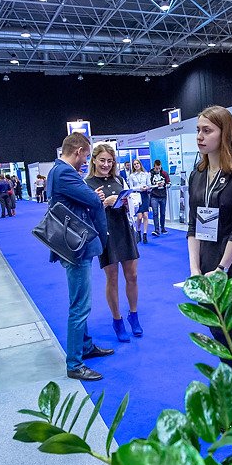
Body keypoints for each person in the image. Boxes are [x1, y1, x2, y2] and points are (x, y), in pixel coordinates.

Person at [187, 105, 232, 346]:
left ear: (224, 133)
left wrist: (221, 269)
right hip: (205, 263)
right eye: (198, 130)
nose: (200, 136)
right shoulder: (197, 175)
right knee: (216, 335)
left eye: (207, 130)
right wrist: (194, 269)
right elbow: (193, 225)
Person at [47, 132, 113, 381]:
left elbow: (84, 199)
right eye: (86, 156)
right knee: (80, 305)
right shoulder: (65, 173)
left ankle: (85, 346)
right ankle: (74, 363)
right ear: (78, 152)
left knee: (79, 301)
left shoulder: (57, 171)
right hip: (76, 246)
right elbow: (92, 201)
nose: (85, 161)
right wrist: (96, 198)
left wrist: (93, 198)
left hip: (72, 243)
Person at [85, 144, 142, 342]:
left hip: (124, 230)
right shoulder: (87, 183)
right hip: (106, 234)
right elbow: (85, 214)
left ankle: (133, 315)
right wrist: (101, 203)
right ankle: (117, 320)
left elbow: (133, 203)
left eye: (110, 161)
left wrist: (127, 202)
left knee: (132, 276)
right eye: (102, 160)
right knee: (113, 278)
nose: (106, 164)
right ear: (94, 160)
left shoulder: (119, 179)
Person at [128, 159, 151, 244]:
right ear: (133, 166)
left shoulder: (146, 174)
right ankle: (138, 231)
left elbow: (149, 185)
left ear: (140, 164)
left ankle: (145, 234)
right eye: (134, 164)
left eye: (137, 163)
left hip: (145, 195)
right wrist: (139, 188)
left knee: (145, 215)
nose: (136, 165)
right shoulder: (131, 176)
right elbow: (131, 188)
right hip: (137, 196)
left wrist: (147, 188)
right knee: (139, 216)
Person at [149, 160, 170, 236]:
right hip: (154, 196)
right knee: (155, 213)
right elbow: (149, 185)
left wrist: (164, 185)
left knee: (163, 213)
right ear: (154, 166)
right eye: (156, 168)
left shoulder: (164, 173)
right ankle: (156, 230)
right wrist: (156, 185)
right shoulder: (150, 174)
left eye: (159, 168)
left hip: (163, 195)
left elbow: (169, 183)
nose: (158, 169)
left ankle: (163, 228)